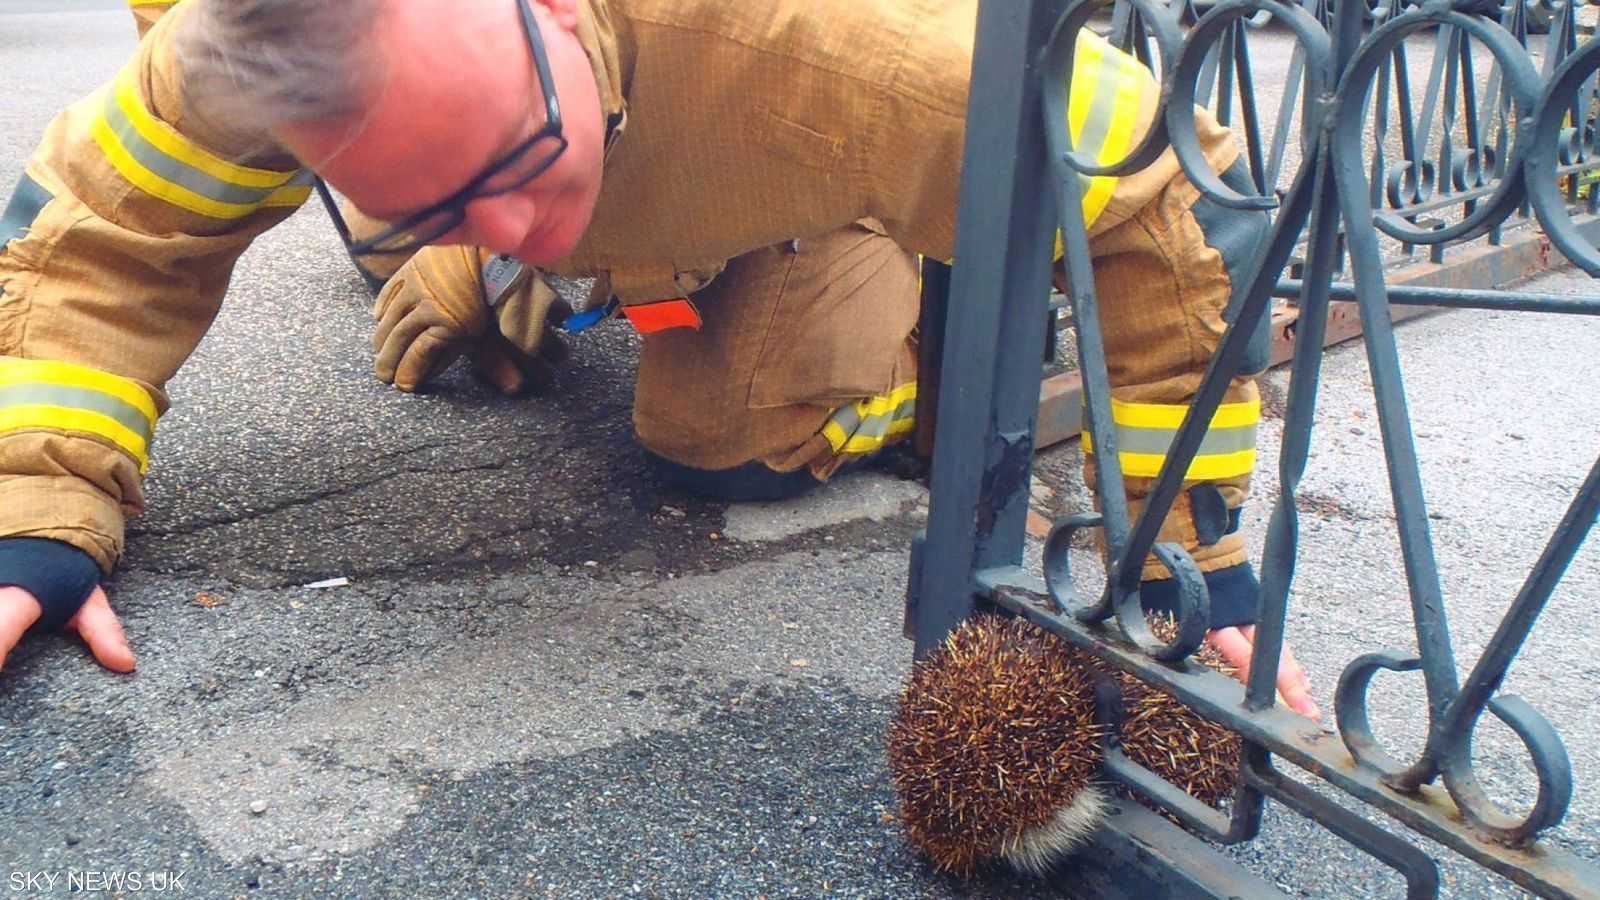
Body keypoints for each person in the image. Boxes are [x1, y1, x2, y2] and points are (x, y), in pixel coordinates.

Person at [0, 0, 1317, 718]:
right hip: (631, 159)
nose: (507, 229)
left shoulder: (833, 46)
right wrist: (35, 511)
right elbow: (91, 240)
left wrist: (1191, 562)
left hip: (811, 175)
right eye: (435, 199)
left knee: (722, 437)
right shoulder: (245, 47)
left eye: (504, 171)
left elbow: (1168, 189)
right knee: (426, 292)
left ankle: (932, 348)